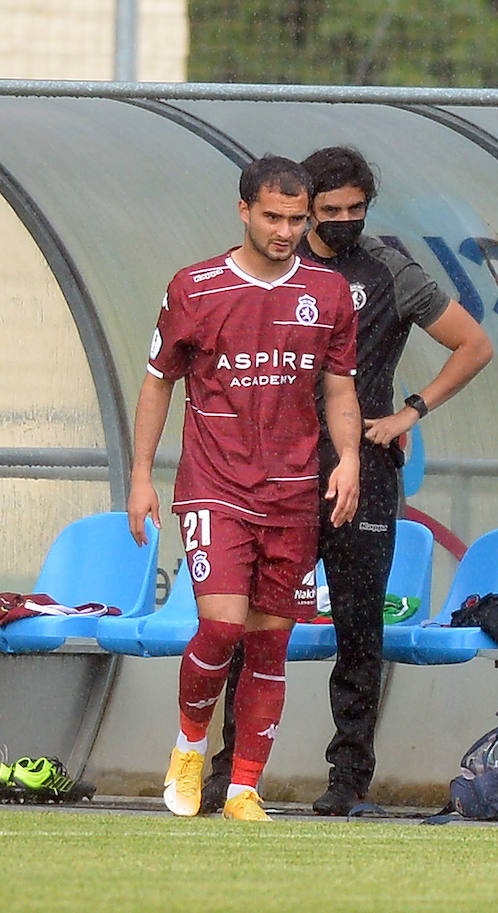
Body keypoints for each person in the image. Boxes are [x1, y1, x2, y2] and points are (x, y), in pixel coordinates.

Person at [202, 146, 494, 816]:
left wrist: (406, 414)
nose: (341, 222)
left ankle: (348, 778)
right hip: (275, 472)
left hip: (361, 471)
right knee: (254, 624)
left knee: (360, 627)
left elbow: (473, 343)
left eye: (354, 210)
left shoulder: (390, 269)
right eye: (327, 211)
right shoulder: (273, 266)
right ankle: (231, 772)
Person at [128, 155, 362, 821]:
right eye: (273, 216)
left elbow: (340, 385)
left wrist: (348, 457)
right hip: (216, 484)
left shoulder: (329, 294)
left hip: (293, 492)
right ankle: (189, 745)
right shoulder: (196, 287)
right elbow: (157, 380)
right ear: (244, 212)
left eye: (296, 218)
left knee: (269, 641)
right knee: (221, 625)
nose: (286, 230)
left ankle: (242, 790)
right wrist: (142, 476)